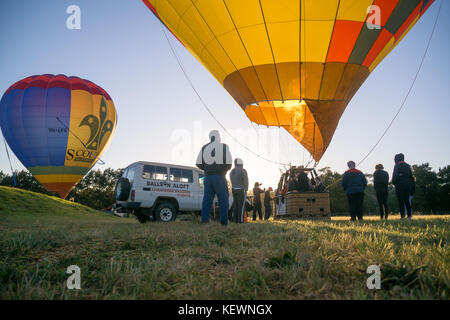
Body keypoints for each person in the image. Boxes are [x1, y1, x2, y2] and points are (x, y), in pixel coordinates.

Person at [196, 130, 232, 225]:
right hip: (219, 176)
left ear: (210, 137)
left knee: (207, 199)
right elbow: (229, 163)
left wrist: (207, 168)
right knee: (223, 199)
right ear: (218, 136)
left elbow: (198, 163)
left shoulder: (204, 147)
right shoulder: (224, 146)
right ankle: (224, 222)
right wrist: (223, 170)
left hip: (207, 177)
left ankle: (205, 221)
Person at [392, 153, 414, 219]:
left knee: (401, 201)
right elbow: (411, 177)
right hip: (408, 185)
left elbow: (394, 177)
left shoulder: (397, 166)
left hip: (399, 186)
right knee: (407, 200)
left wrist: (394, 182)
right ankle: (409, 215)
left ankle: (402, 216)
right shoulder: (408, 166)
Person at [229, 158, 248, 223]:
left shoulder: (232, 171)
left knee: (235, 205)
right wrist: (246, 189)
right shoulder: (243, 170)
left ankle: (235, 220)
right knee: (241, 205)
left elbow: (231, 180)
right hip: (241, 189)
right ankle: (241, 220)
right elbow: (246, 181)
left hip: (234, 189)